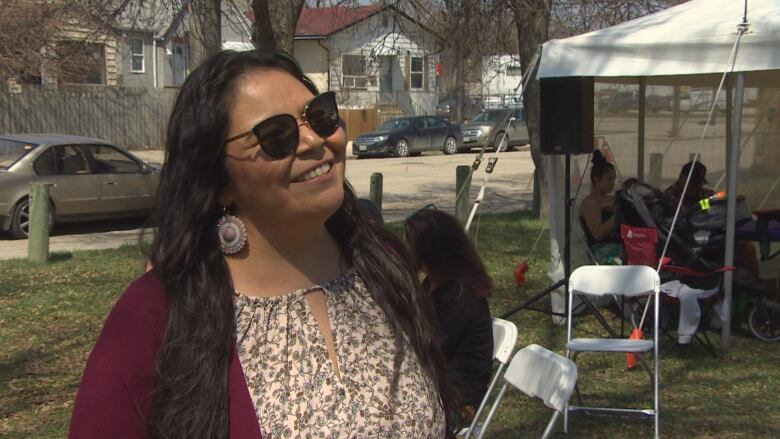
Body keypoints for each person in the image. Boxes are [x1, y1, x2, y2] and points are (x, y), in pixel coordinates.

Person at [70, 50, 457, 438]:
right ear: (218, 179)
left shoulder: (383, 265)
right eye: (276, 136)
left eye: (320, 116)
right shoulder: (156, 314)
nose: (312, 141)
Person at [404, 207, 493, 427]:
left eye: (410, 245)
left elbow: (428, 348)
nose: (407, 251)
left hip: (456, 401)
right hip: (430, 387)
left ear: (430, 252)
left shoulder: (459, 294)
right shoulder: (432, 284)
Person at [579, 150, 622, 264]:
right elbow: (597, 234)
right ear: (597, 179)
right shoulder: (590, 203)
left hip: (620, 245)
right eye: (609, 179)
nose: (612, 183)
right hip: (602, 250)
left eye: (614, 179)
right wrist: (618, 214)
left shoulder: (612, 199)